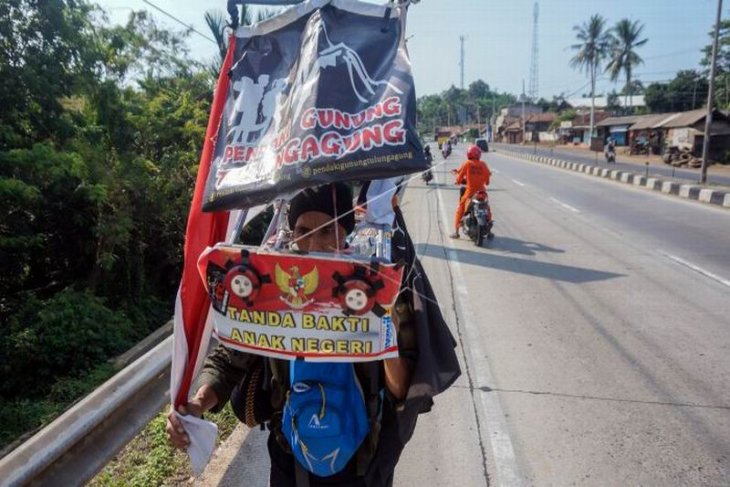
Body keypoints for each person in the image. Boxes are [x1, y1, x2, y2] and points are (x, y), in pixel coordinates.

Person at [167, 182, 418, 486]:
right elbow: (232, 358)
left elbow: (403, 387)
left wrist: (383, 324)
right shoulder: (275, 287)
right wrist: (196, 404)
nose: (315, 244)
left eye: (328, 230)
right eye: (303, 231)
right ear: (292, 233)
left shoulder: (374, 285)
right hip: (291, 456)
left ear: (346, 231)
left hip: (361, 462)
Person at [450, 144, 491, 239]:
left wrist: (457, 181)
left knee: (460, 208)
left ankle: (456, 232)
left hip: (470, 193)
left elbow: (459, 177)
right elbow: (487, 181)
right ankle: (489, 231)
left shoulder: (467, 163)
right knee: (487, 208)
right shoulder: (483, 164)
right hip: (482, 193)